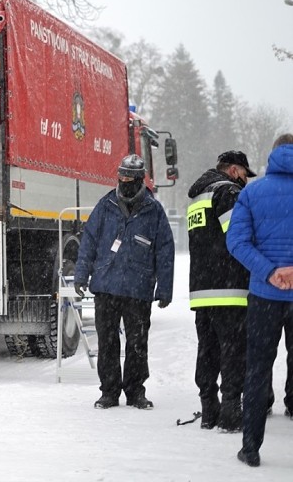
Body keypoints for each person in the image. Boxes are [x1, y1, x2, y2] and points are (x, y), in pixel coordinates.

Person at [74, 154, 175, 410]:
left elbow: (165, 251)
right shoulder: (105, 204)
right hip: (106, 286)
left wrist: (164, 288)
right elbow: (88, 243)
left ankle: (135, 392)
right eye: (121, 177)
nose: (124, 182)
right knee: (107, 343)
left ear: (141, 179)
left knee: (137, 343)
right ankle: (109, 392)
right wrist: (81, 274)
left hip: (138, 289)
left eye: (129, 178)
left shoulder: (154, 210)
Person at [226, 133, 293, 467]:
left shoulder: (252, 192)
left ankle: (250, 447)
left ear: (273, 155)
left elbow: (236, 242)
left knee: (257, 370)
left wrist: (270, 272)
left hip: (265, 295)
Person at [186, 150, 256, 431]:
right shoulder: (227, 193)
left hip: (202, 289)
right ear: (234, 170)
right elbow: (236, 235)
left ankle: (209, 408)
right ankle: (230, 412)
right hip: (229, 287)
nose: (245, 181)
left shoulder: (197, 197)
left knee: (207, 351)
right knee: (232, 351)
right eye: (244, 174)